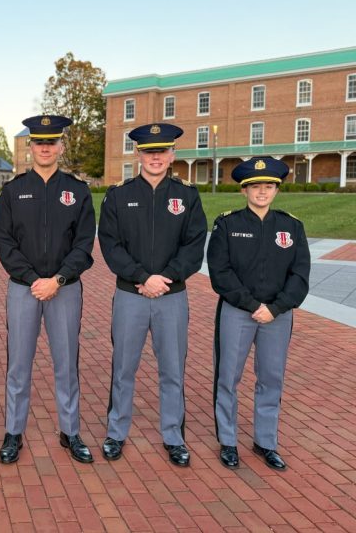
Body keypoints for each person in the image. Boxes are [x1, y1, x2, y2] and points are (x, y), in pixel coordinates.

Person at [98, 123, 206, 467]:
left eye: (162, 150)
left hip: (172, 297)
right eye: (149, 151)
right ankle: (116, 433)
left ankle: (173, 436)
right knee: (123, 368)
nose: (155, 157)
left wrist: (167, 278)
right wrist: (143, 278)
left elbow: (194, 246)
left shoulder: (187, 196)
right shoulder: (118, 195)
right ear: (138, 154)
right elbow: (110, 246)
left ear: (172, 154)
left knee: (172, 369)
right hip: (130, 294)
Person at [0, 115, 96, 464]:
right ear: (31, 147)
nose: (45, 148)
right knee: (18, 365)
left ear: (61, 146)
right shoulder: (13, 190)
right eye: (39, 142)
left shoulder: (77, 191)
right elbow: (4, 242)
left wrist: (58, 279)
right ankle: (13, 432)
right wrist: (33, 278)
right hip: (24, 288)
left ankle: (71, 432)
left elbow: (84, 245)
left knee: (66, 362)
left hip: (65, 289)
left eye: (52, 142)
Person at [207, 157, 310, 471]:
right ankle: (228, 441)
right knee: (228, 378)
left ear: (276, 190)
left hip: (277, 316)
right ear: (244, 189)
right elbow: (220, 273)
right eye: (256, 186)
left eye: (268, 186)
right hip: (238, 312)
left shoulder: (291, 226)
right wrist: (253, 306)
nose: (262, 192)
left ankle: (265, 442)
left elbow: (300, 275)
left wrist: (276, 308)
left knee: (271, 379)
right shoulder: (228, 224)